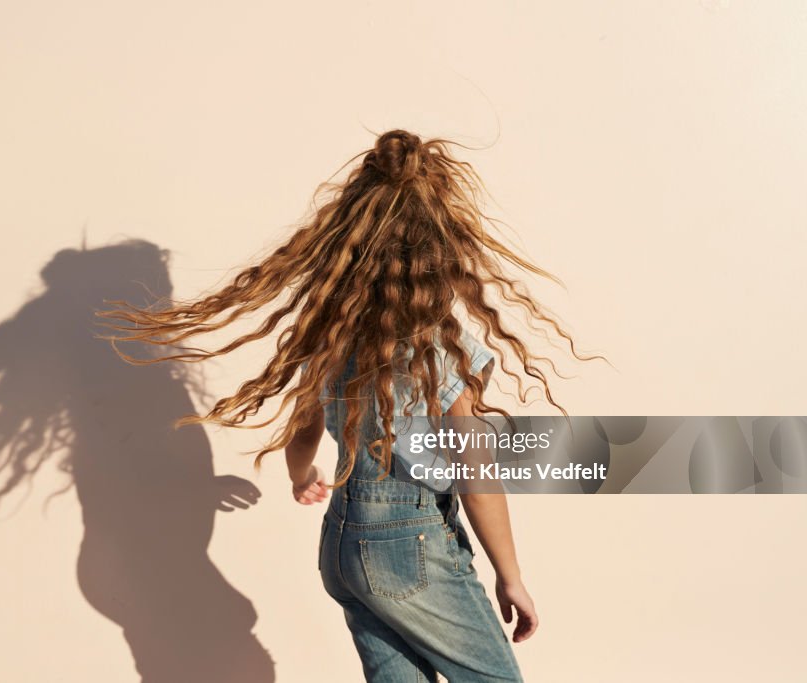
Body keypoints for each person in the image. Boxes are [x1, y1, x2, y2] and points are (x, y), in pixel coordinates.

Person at [97, 129, 596, 681]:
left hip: (343, 543)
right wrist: (511, 574)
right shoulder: (442, 348)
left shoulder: (331, 334)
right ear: (442, 245)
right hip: (409, 545)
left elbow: (303, 426)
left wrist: (300, 475)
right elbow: (475, 472)